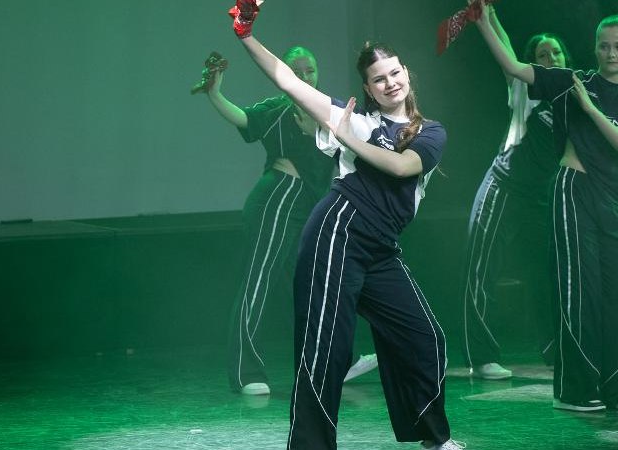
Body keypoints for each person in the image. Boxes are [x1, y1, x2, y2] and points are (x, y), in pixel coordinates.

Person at [227, 1, 464, 449]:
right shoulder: (354, 117)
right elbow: (288, 81)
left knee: (425, 336)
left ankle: (433, 438)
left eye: (394, 73)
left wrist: (349, 140)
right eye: (379, 79)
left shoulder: (429, 131)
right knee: (327, 351)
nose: (390, 82)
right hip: (336, 230)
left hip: (380, 247)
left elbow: (401, 168)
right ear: (369, 89)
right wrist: (245, 35)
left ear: (406, 73)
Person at [472, 6, 618, 411]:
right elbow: (514, 67)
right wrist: (485, 21)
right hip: (572, 190)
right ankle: (576, 389)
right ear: (594, 49)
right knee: (580, 292)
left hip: (612, 199)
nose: (610, 53)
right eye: (604, 46)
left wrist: (590, 109)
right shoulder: (573, 81)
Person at [196, 46, 377, 396]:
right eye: (297, 71)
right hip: (277, 199)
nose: (305, 76)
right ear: (286, 76)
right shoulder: (277, 110)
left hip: (309, 206)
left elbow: (360, 141)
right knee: (259, 281)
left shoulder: (330, 109)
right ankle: (245, 372)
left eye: (310, 70)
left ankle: (335, 361)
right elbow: (242, 118)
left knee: (315, 284)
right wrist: (215, 93)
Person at [461, 5, 573, 380]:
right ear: (532, 62)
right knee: (482, 270)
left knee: (546, 276)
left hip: (540, 196)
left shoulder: (574, 95)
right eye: (543, 54)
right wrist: (487, 13)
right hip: (503, 186)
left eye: (556, 52)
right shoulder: (524, 86)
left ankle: (556, 352)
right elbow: (506, 50)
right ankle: (482, 356)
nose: (551, 58)